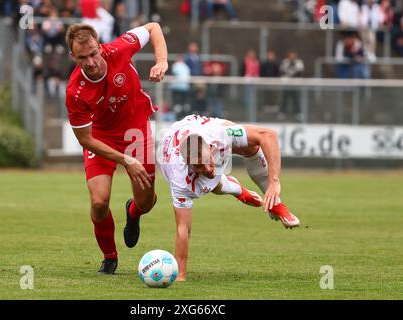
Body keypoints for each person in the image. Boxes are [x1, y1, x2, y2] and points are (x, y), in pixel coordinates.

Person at [65, 22, 168, 275]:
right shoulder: (75, 92)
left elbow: (154, 27)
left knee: (147, 202)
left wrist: (161, 61)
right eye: (82, 58)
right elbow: (85, 139)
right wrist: (125, 159)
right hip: (101, 139)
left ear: (100, 47)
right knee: (99, 202)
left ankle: (133, 214)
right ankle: (109, 257)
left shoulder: (119, 49)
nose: (90, 62)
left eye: (93, 54)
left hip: (136, 131)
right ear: (72, 56)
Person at [159, 114, 301, 281]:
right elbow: (183, 228)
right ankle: (236, 189)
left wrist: (274, 182)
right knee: (214, 186)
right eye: (198, 166)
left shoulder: (219, 135)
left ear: (211, 149)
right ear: (188, 164)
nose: (207, 168)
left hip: (196, 126)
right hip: (170, 144)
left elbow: (268, 135)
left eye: (207, 161)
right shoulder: (179, 177)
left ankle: (275, 204)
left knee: (251, 146)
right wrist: (180, 275)